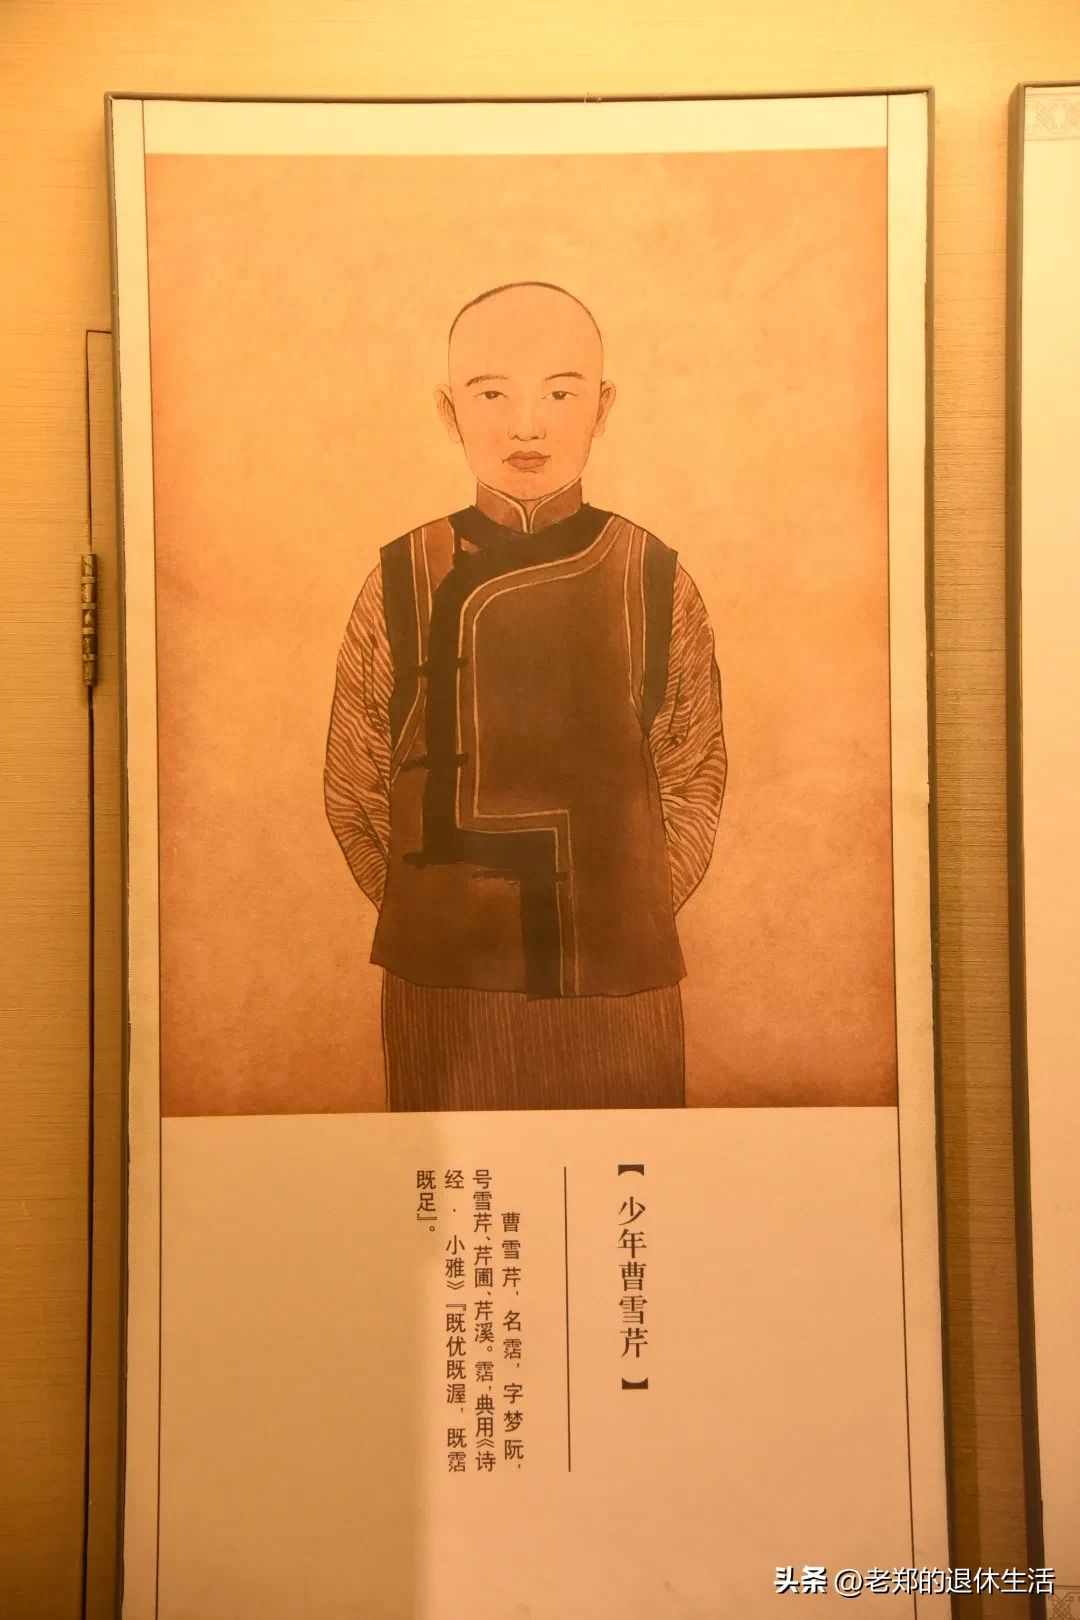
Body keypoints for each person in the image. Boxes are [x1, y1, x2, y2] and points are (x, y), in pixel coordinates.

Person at [325, 281, 726, 1110]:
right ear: (449, 410)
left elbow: (693, 775)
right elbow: (354, 788)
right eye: (492, 394)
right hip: (444, 986)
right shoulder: (400, 578)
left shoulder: (654, 577)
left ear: (602, 407)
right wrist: (435, 914)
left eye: (559, 394)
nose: (527, 426)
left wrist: (625, 908)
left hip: (620, 984)